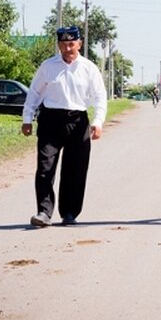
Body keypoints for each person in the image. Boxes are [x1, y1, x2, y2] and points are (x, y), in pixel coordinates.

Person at [21, 26, 108, 227]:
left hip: (77, 121)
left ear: (79, 44)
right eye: (63, 45)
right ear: (59, 45)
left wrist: (97, 122)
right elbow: (34, 93)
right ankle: (43, 212)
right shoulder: (48, 66)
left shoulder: (89, 68)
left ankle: (69, 212)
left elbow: (99, 96)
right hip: (51, 120)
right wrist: (27, 118)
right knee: (45, 167)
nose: (68, 49)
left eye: (71, 44)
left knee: (75, 169)